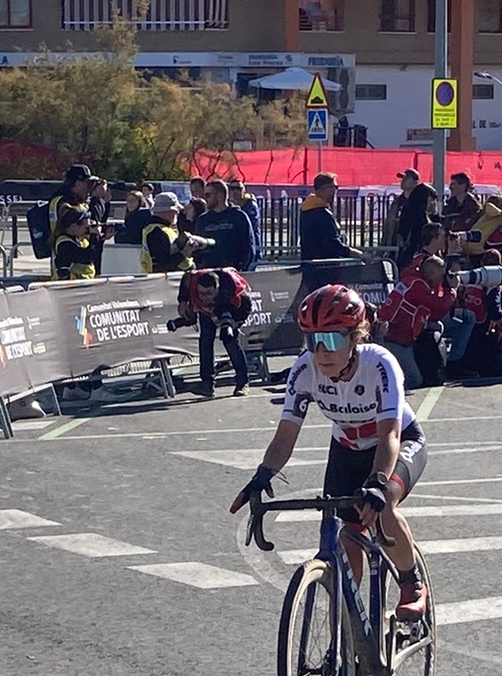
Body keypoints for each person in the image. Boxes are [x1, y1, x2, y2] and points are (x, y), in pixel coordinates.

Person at [229, 283, 429, 627]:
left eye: (332, 339)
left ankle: (412, 583)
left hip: (398, 443)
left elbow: (390, 435)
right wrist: (262, 475)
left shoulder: (380, 364)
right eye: (313, 340)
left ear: (355, 337)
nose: (322, 351)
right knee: (344, 542)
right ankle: (348, 645)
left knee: (383, 508)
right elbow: (285, 435)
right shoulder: (304, 370)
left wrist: (379, 482)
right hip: (347, 449)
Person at [376, 249, 456, 388]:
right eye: (441, 276)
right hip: (394, 339)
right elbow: (439, 306)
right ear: (431, 274)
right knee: (414, 380)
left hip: (399, 336)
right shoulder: (418, 286)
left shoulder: (412, 281)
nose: (442, 280)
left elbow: (435, 315)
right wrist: (452, 290)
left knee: (437, 327)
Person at [179, 262, 252, 398]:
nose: (204, 297)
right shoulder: (194, 280)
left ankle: (242, 382)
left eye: (208, 293)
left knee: (230, 341)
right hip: (206, 313)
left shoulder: (231, 289)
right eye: (201, 293)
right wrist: (182, 301)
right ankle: (207, 383)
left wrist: (237, 322)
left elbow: (247, 303)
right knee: (205, 342)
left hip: (228, 309)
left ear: (217, 289)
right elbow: (187, 276)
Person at [297, 172, 366, 289]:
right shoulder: (322, 213)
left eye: (336, 187)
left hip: (311, 270)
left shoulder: (306, 210)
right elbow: (333, 244)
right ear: (322, 189)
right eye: (333, 187)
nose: (335, 191)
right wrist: (358, 254)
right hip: (326, 272)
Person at [193, 176, 255, 277]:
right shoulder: (203, 219)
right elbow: (197, 247)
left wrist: (241, 269)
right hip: (209, 274)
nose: (205, 198)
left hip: (232, 274)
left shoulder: (238, 216)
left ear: (220, 195)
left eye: (208, 195)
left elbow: (248, 246)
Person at [381, 166, 438, 269]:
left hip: (410, 250)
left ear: (415, 182)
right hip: (394, 247)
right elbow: (388, 226)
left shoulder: (421, 204)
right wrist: (384, 246)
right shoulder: (397, 202)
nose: (402, 181)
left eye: (406, 178)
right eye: (402, 178)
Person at [139, 191, 202, 276]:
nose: (178, 213)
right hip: (165, 280)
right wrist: (185, 252)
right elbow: (164, 263)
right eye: (176, 210)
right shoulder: (157, 231)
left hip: (167, 278)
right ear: (169, 211)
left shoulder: (161, 229)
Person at [51, 206, 99, 278]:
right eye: (86, 228)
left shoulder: (77, 240)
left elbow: (94, 255)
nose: (87, 231)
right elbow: (87, 257)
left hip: (79, 283)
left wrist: (101, 238)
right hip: (68, 284)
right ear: (73, 226)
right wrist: (95, 235)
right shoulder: (65, 244)